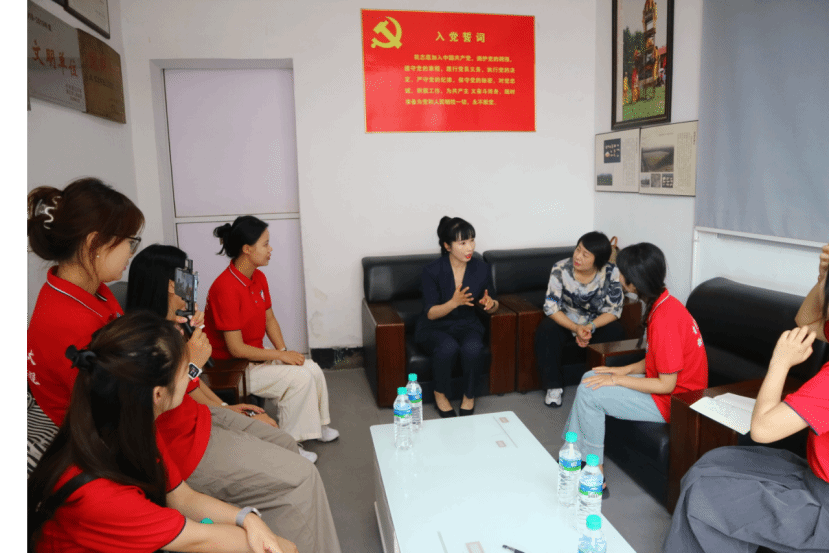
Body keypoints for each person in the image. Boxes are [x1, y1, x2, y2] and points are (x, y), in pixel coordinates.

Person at [126, 245, 341, 553]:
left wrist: (226, 407)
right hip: (186, 445)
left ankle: (276, 535)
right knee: (304, 476)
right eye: (187, 276)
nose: (193, 282)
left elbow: (193, 388)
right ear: (172, 284)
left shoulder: (176, 325)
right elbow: (160, 400)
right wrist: (193, 362)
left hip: (201, 418)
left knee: (285, 441)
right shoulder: (142, 341)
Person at [26, 311, 297, 553]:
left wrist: (248, 519)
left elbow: (182, 498)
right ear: (157, 394)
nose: (190, 376)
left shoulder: (129, 424)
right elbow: (197, 539)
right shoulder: (98, 496)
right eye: (185, 370)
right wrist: (274, 541)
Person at [662, 246, 829, 553]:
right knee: (711, 463)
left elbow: (762, 430)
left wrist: (779, 362)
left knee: (705, 495)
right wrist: (822, 280)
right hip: (812, 476)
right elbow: (805, 322)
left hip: (822, 505)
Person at [561, 243, 708, 493]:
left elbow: (667, 384)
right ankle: (573, 455)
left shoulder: (665, 319)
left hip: (676, 403)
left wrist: (616, 381)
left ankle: (595, 474)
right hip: (668, 389)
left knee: (590, 391)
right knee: (591, 376)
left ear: (636, 282)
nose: (618, 278)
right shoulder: (665, 303)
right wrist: (623, 371)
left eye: (622, 274)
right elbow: (657, 360)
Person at [204, 216, 340, 447]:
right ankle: (290, 444)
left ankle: (318, 426)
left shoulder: (258, 277)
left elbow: (270, 319)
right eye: (265, 244)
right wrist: (279, 356)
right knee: (299, 379)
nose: (271, 249)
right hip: (233, 367)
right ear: (247, 249)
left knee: (311, 368)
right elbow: (235, 349)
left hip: (254, 357)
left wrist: (283, 351)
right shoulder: (225, 288)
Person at [27, 178, 144, 426]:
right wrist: (189, 365)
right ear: (95, 243)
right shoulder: (70, 325)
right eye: (130, 241)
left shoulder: (88, 289)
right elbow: (122, 414)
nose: (131, 252)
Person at [413, 216, 498, 417]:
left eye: (472, 240)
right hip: (435, 326)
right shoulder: (432, 271)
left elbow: (494, 304)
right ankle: (440, 394)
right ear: (447, 246)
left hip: (467, 323)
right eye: (462, 243)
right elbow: (431, 313)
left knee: (473, 348)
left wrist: (490, 304)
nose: (470, 248)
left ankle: (469, 395)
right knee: (447, 347)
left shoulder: (481, 268)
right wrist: (453, 302)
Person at [535, 231, 626, 407]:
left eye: (585, 254)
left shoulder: (611, 272)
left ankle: (600, 383)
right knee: (547, 328)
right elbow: (551, 306)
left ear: (598, 260)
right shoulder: (560, 268)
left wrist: (590, 326)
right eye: (578, 249)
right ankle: (553, 387)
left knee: (616, 330)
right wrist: (576, 328)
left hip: (595, 321)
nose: (578, 257)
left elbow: (614, 309)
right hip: (566, 318)